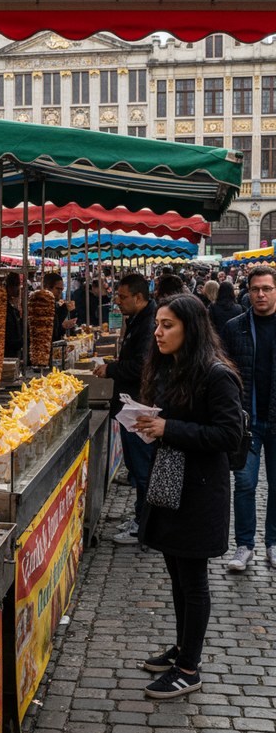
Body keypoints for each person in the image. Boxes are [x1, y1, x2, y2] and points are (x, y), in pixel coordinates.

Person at [133, 294, 242, 698]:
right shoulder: (173, 369)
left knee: (193, 581)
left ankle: (189, 669)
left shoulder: (217, 374)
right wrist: (150, 423)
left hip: (199, 493)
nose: (158, 333)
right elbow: (177, 423)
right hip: (171, 485)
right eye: (158, 324)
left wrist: (169, 430)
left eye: (167, 325)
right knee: (177, 576)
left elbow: (227, 436)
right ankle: (182, 648)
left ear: (190, 328)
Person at [94, 273, 157, 543]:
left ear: (138, 297)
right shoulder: (138, 320)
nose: (116, 301)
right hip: (130, 405)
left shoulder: (148, 323)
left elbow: (142, 366)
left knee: (143, 470)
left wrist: (111, 369)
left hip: (139, 406)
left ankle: (145, 526)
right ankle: (141, 518)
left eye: (121, 297)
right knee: (136, 467)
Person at [221, 265, 276, 571]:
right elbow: (225, 373)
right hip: (247, 421)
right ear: (247, 291)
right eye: (255, 289)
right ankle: (244, 545)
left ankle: (273, 542)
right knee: (244, 483)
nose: (260, 294)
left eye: (267, 288)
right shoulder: (235, 327)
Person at [41, 272, 77, 343]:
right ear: (48, 288)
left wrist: (65, 326)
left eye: (61, 290)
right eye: (58, 289)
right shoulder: (41, 305)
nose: (60, 293)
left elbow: (57, 329)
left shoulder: (54, 305)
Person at [4, 272, 22, 357]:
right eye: (16, 285)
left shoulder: (10, 308)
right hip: (8, 354)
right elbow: (8, 338)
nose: (18, 289)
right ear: (8, 287)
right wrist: (23, 342)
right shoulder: (5, 309)